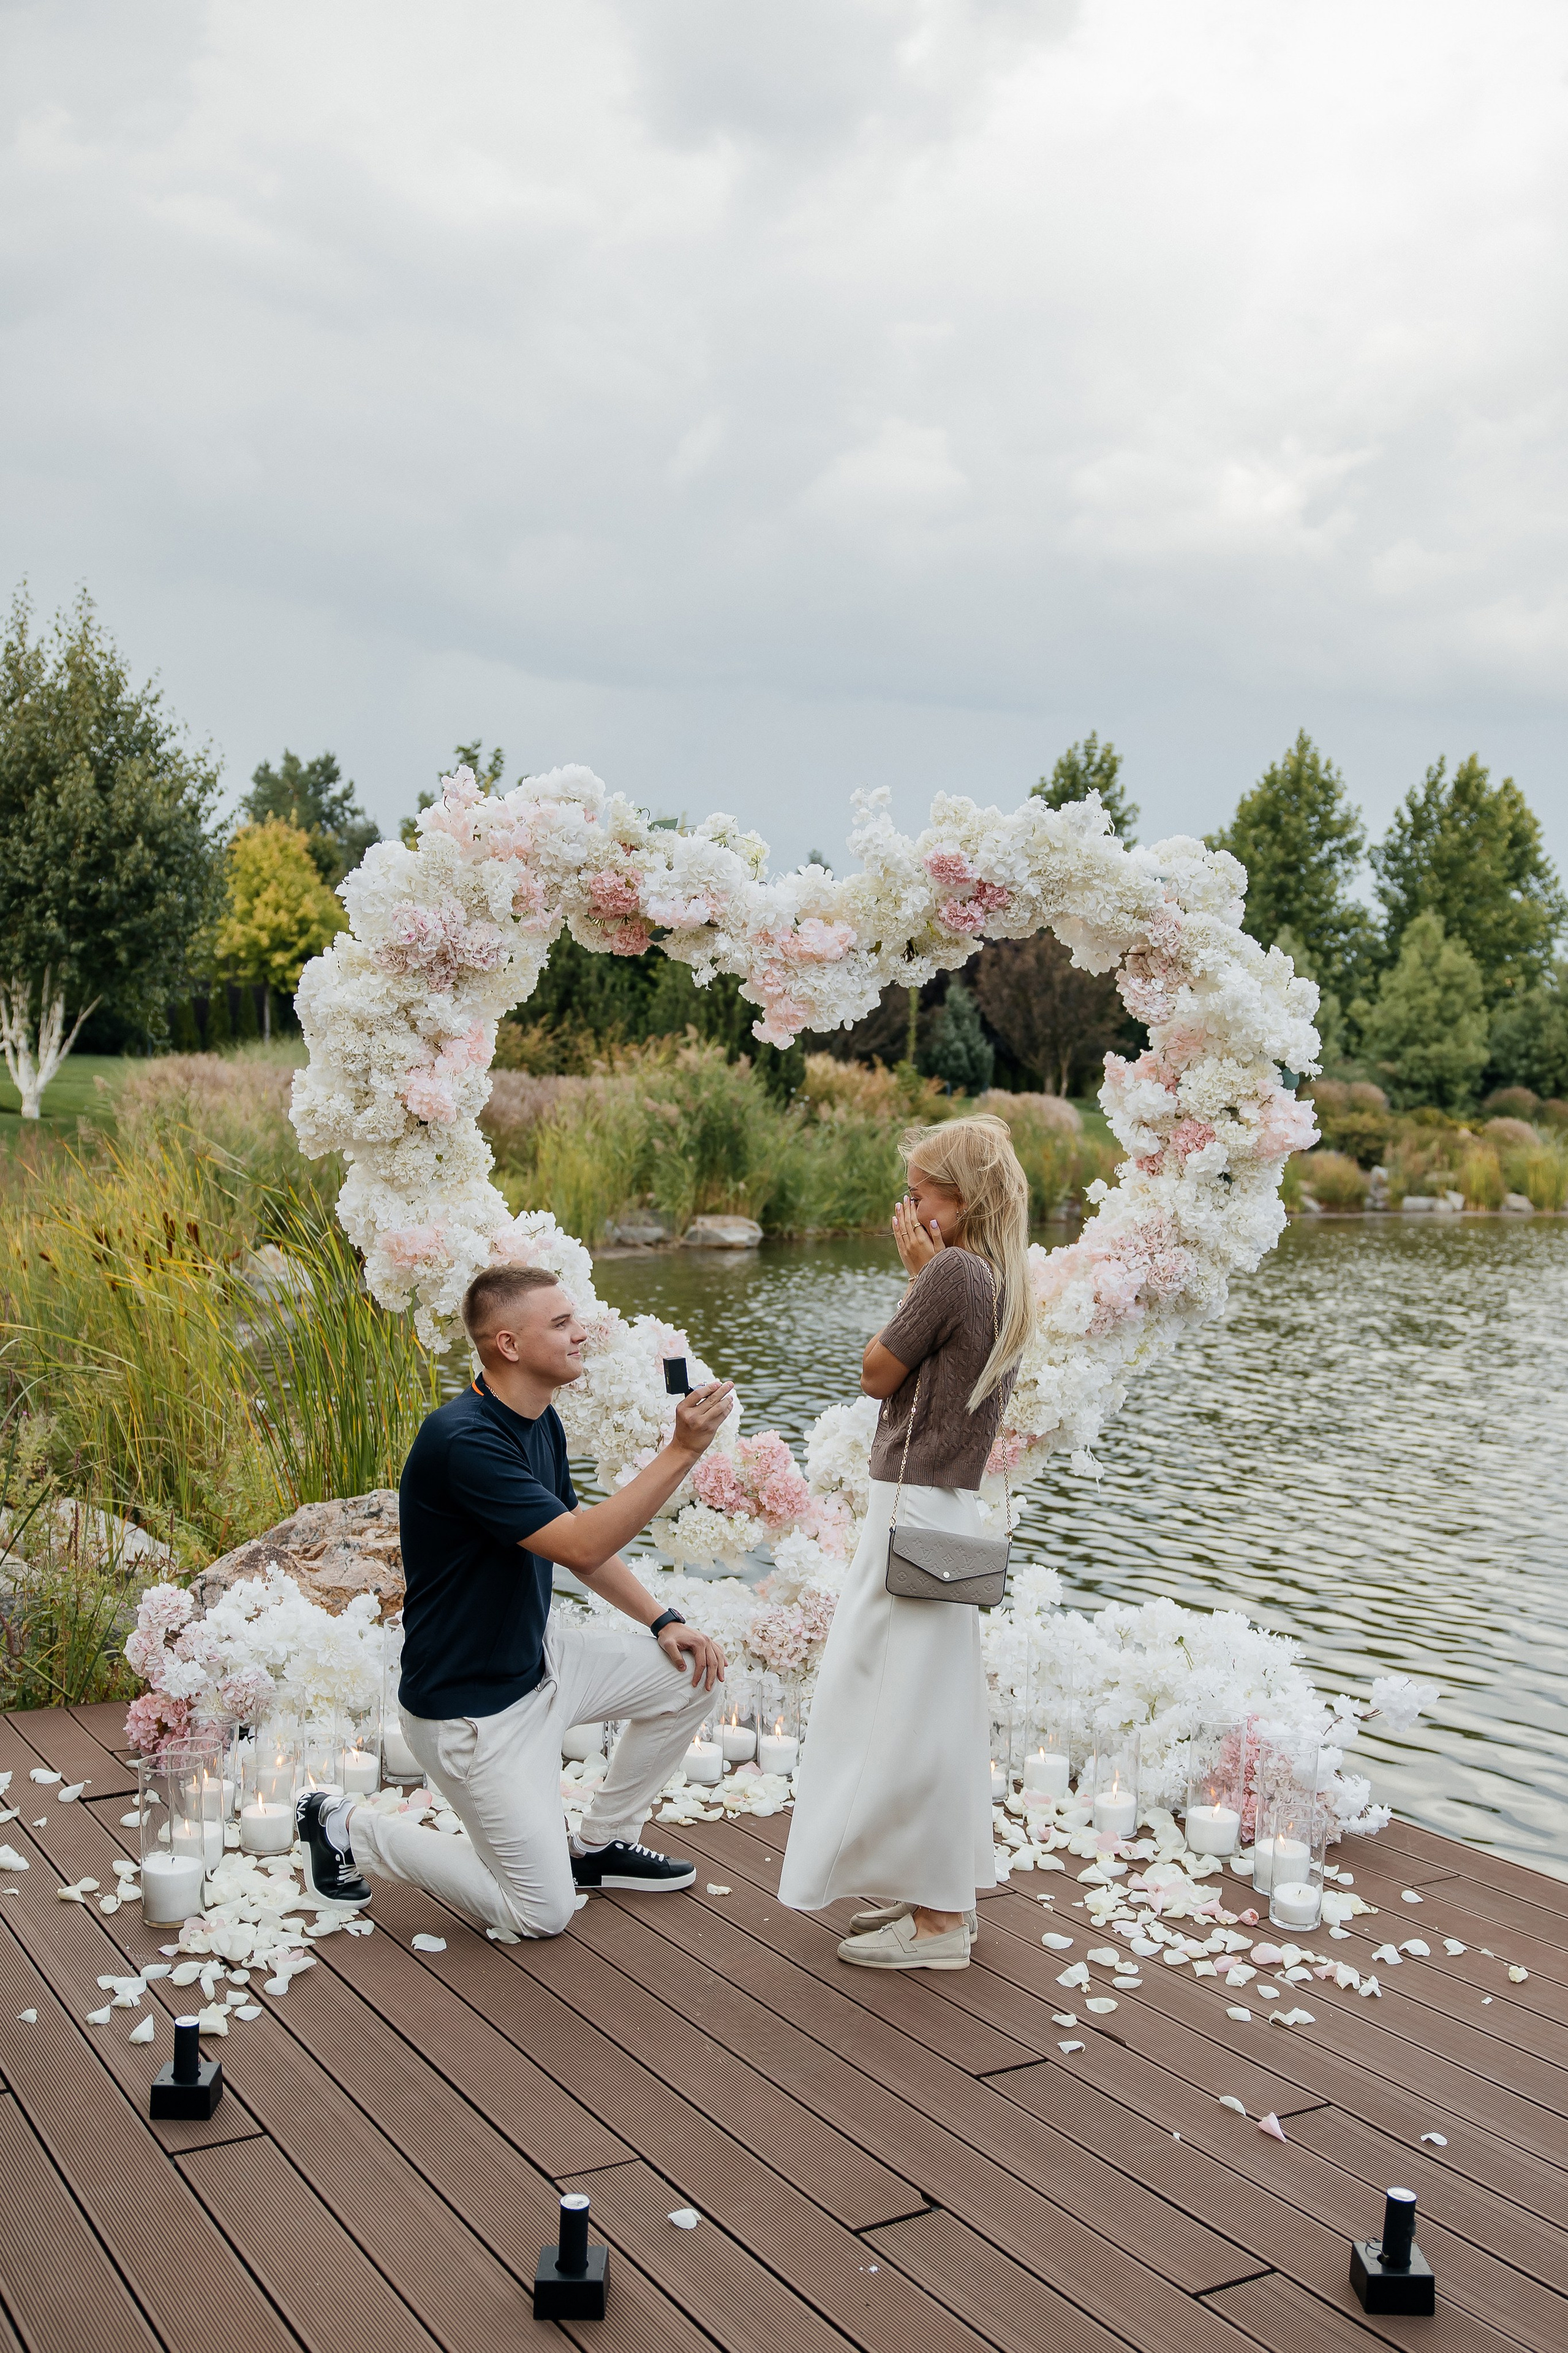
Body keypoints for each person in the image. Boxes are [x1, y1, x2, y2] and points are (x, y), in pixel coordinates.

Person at [295, 1262, 734, 1937]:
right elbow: (584, 1545)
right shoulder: (463, 1439)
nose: (580, 1333)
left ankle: (601, 1844)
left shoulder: (540, 1421)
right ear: (508, 1344)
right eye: (560, 1324)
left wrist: (663, 1619)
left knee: (693, 1671)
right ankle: (344, 1825)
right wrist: (681, 1450)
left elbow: (575, 1540)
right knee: (539, 1913)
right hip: (474, 1713)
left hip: (540, 1663)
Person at [778, 1114, 1035, 1970]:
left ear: (961, 1199)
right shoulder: (996, 1271)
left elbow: (874, 1371)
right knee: (930, 1710)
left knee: (893, 1708)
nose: (909, 1202)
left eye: (921, 1189)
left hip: (912, 1514)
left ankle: (937, 1926)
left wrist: (917, 1281)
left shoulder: (955, 1270)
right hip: (945, 1515)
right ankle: (935, 1900)